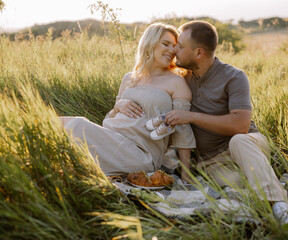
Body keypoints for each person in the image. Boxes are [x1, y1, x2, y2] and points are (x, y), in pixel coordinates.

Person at [162, 20, 288, 226]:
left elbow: (240, 126)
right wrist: (124, 102)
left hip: (248, 144)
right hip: (212, 162)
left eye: (181, 47)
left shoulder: (234, 77)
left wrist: (191, 117)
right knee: (238, 185)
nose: (175, 50)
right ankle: (264, 195)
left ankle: (283, 211)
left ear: (199, 53)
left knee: (238, 141)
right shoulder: (181, 78)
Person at [60, 23, 195, 181]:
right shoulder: (129, 78)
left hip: (140, 153)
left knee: (76, 126)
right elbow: (108, 121)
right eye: (166, 44)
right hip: (113, 138)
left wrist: (186, 175)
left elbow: (182, 130)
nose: (172, 50)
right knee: (59, 123)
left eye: (174, 46)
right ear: (149, 44)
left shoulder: (176, 82)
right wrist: (118, 106)